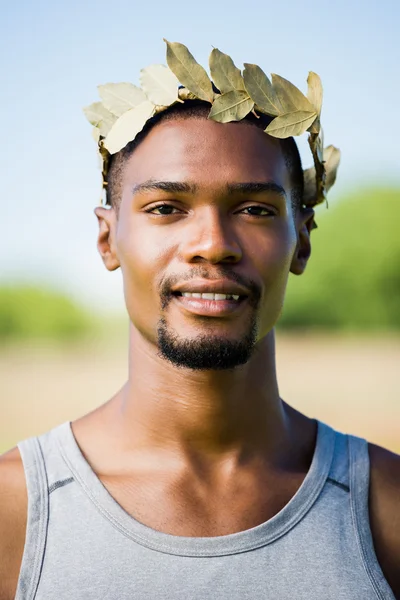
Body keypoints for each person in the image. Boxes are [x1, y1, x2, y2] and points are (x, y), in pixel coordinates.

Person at [1, 42, 399, 600]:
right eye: (166, 208)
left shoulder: (386, 505)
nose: (212, 245)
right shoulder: (15, 510)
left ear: (302, 240)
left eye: (255, 209)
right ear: (107, 237)